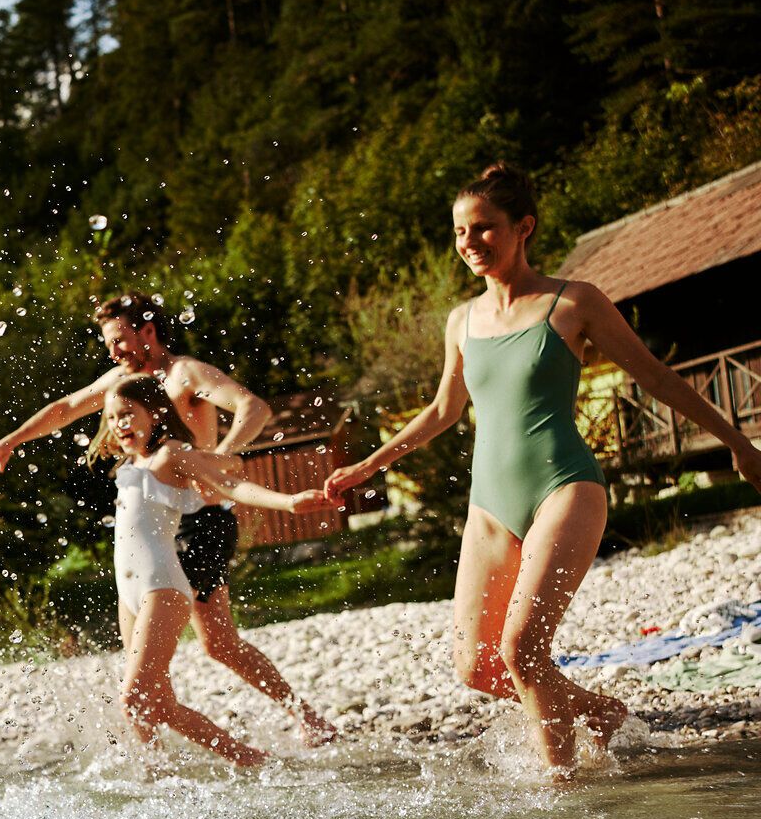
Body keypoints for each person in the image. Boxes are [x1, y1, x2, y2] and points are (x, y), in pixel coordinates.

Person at [323, 163, 761, 773]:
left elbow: (655, 376)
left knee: (522, 650)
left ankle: (561, 793)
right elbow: (444, 409)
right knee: (476, 668)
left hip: (565, 487)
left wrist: (738, 443)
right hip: (489, 505)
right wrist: (371, 464)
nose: (470, 242)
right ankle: (599, 711)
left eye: (484, 227)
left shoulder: (573, 301)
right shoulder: (461, 321)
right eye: (460, 231)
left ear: (523, 227)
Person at [0, 294, 337, 744]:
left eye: (120, 340)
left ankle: (301, 720)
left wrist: (217, 459)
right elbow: (66, 408)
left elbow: (254, 409)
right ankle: (157, 760)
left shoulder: (185, 374)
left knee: (217, 645)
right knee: (144, 664)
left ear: (148, 330)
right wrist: (12, 440)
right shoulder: (122, 383)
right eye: (108, 344)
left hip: (199, 522)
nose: (114, 352)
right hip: (155, 530)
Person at [87, 375, 342, 765]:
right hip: (130, 597)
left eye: (127, 414)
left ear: (155, 414)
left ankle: (161, 779)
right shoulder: (130, 464)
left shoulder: (170, 454)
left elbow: (229, 485)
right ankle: (245, 760)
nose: (118, 424)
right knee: (157, 705)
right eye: (111, 417)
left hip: (162, 589)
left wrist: (288, 502)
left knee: (134, 698)